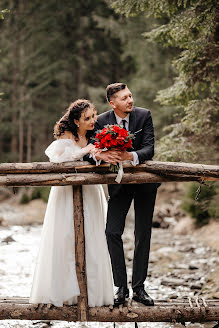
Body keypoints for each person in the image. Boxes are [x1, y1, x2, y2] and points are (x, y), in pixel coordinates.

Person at [29, 99, 114, 307]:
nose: (93, 120)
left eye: (94, 116)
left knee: (93, 236)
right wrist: (86, 151)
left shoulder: (96, 134)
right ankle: (64, 292)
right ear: (76, 121)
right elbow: (58, 160)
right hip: (67, 192)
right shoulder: (67, 135)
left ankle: (92, 293)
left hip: (91, 191)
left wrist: (100, 154)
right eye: (87, 118)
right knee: (65, 235)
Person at [92, 83, 160, 306]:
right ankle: (121, 287)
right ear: (113, 103)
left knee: (143, 234)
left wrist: (128, 156)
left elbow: (149, 149)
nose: (130, 100)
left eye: (130, 96)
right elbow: (93, 150)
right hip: (119, 185)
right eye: (124, 98)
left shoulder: (144, 116)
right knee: (112, 232)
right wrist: (104, 155)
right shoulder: (102, 121)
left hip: (145, 184)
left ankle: (139, 288)